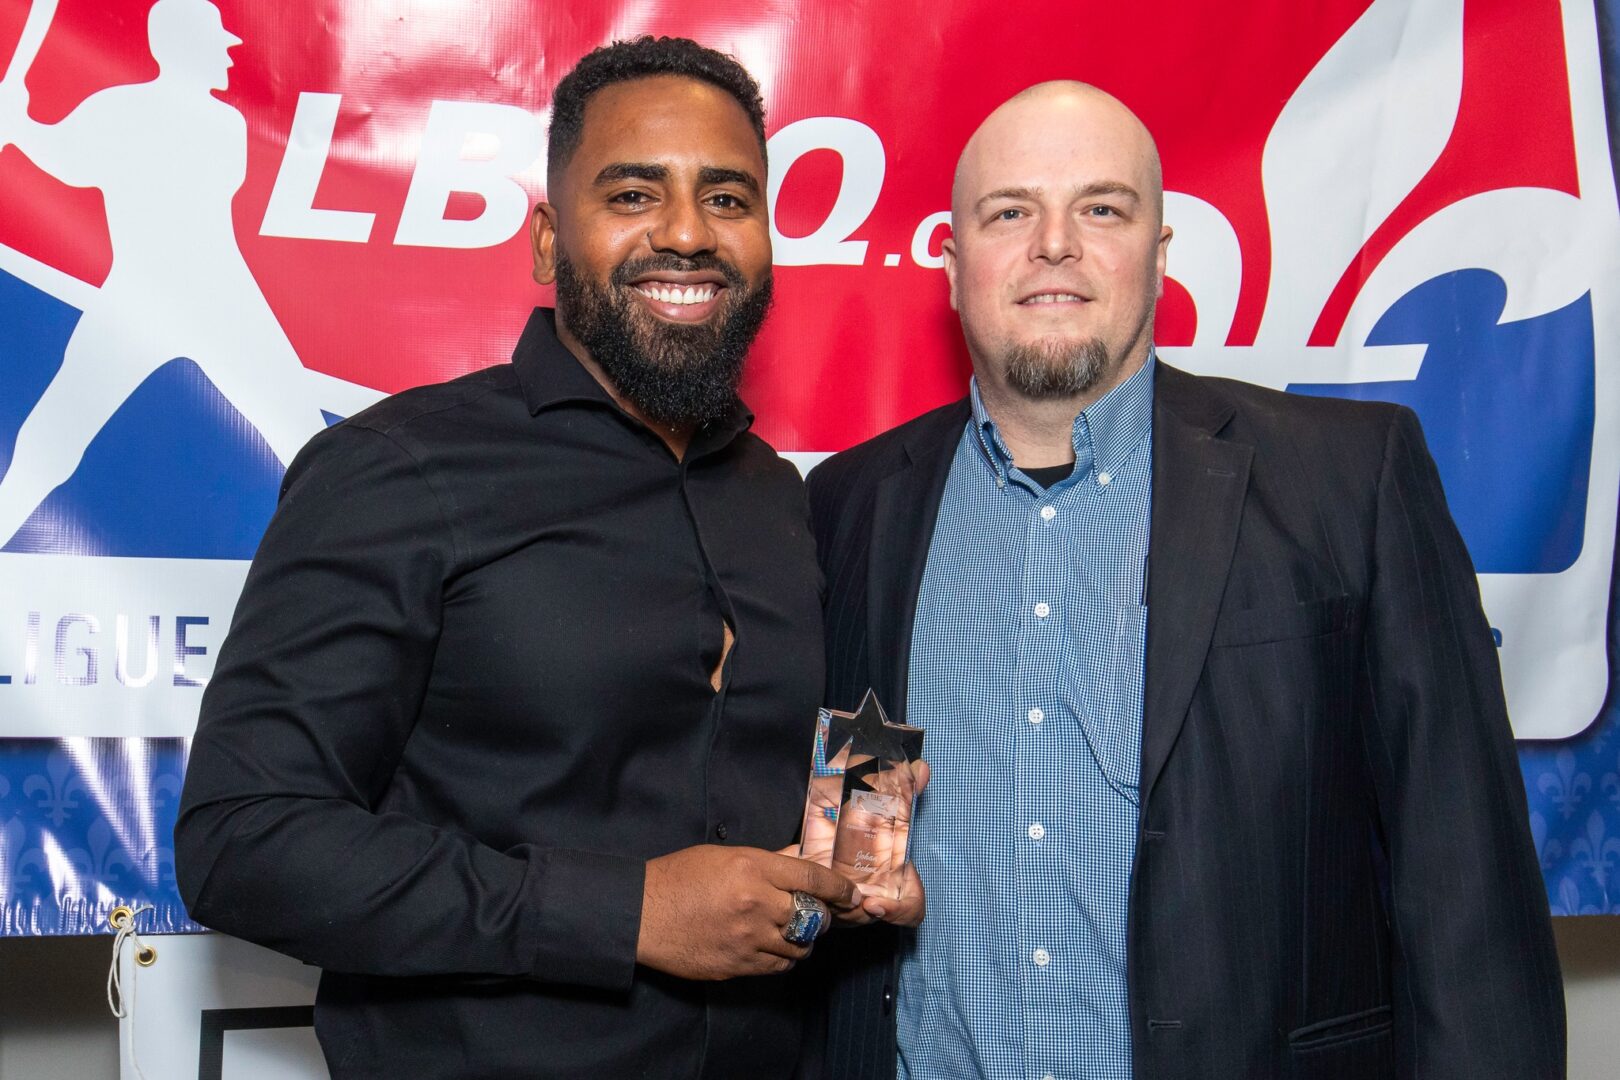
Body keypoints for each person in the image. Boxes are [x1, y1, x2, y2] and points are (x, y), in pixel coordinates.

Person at [805, 82, 1564, 1080]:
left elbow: (1470, 894)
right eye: (1009, 212)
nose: (1055, 245)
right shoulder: (848, 506)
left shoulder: (1349, 478)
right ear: (952, 265)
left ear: (1159, 257)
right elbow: (844, 825)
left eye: (1103, 209)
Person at [175, 37, 866, 1080]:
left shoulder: (778, 498)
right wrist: (627, 912)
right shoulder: (397, 468)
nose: (687, 234)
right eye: (633, 195)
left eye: (728, 200)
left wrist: (860, 847)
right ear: (549, 241)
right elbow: (242, 843)